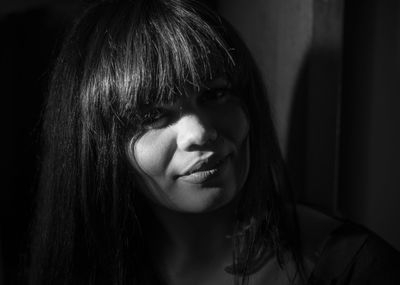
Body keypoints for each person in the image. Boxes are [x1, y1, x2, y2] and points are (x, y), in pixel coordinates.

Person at [29, 0, 400, 284]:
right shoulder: (75, 267)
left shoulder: (354, 267)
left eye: (215, 94)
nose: (201, 133)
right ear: (97, 146)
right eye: (150, 115)